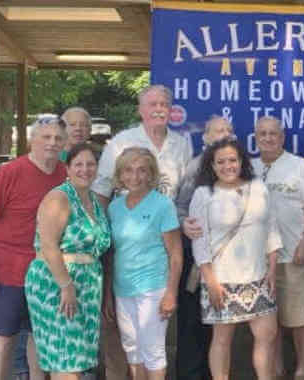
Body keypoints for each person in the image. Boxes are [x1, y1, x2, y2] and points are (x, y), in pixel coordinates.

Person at [92, 84, 192, 380]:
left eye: (164, 103)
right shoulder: (121, 142)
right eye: (152, 104)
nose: (159, 109)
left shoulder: (182, 144)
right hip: (126, 252)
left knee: (153, 345)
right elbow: (101, 193)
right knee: (129, 343)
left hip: (162, 248)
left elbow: (185, 195)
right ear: (141, 110)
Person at [0, 118, 67, 380]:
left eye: (58, 138)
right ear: (31, 141)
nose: (52, 143)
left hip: (46, 271)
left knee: (39, 335)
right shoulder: (10, 172)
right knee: (3, 336)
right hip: (7, 270)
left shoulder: (64, 174)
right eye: (45, 137)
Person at [189, 137, 282, 380]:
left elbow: (271, 228)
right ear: (212, 165)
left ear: (242, 161)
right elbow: (200, 242)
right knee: (222, 340)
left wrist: (272, 270)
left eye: (232, 160)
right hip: (221, 280)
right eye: (221, 162)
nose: (227, 166)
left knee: (267, 336)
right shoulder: (203, 194)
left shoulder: (258, 187)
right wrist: (210, 281)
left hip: (259, 276)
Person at [24, 143, 111, 378]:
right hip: (57, 283)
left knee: (77, 359)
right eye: (78, 164)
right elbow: (48, 245)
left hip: (88, 285)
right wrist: (66, 285)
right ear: (68, 169)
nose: (85, 169)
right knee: (66, 359)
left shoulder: (93, 200)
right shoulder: (59, 198)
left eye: (90, 164)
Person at [108, 147, 183, 380]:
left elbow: (176, 253)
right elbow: (113, 252)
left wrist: (171, 292)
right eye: (128, 170)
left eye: (142, 170)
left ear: (151, 174)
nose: (135, 176)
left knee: (153, 351)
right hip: (123, 289)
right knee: (132, 350)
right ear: (120, 175)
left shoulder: (162, 205)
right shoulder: (114, 207)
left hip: (153, 289)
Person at [251, 116, 304, 380]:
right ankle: (276, 367)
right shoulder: (247, 167)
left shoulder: (299, 165)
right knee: (268, 320)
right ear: (256, 137)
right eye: (262, 133)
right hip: (259, 260)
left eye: (273, 133)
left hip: (294, 254)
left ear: (282, 137)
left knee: (299, 318)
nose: (268, 138)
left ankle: (303, 367)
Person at [174, 115, 233, 380]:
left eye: (228, 130)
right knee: (192, 321)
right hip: (197, 260)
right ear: (206, 137)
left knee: (218, 322)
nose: (224, 135)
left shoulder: (238, 169)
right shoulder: (196, 167)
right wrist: (183, 224)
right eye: (218, 131)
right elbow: (179, 207)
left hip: (228, 259)